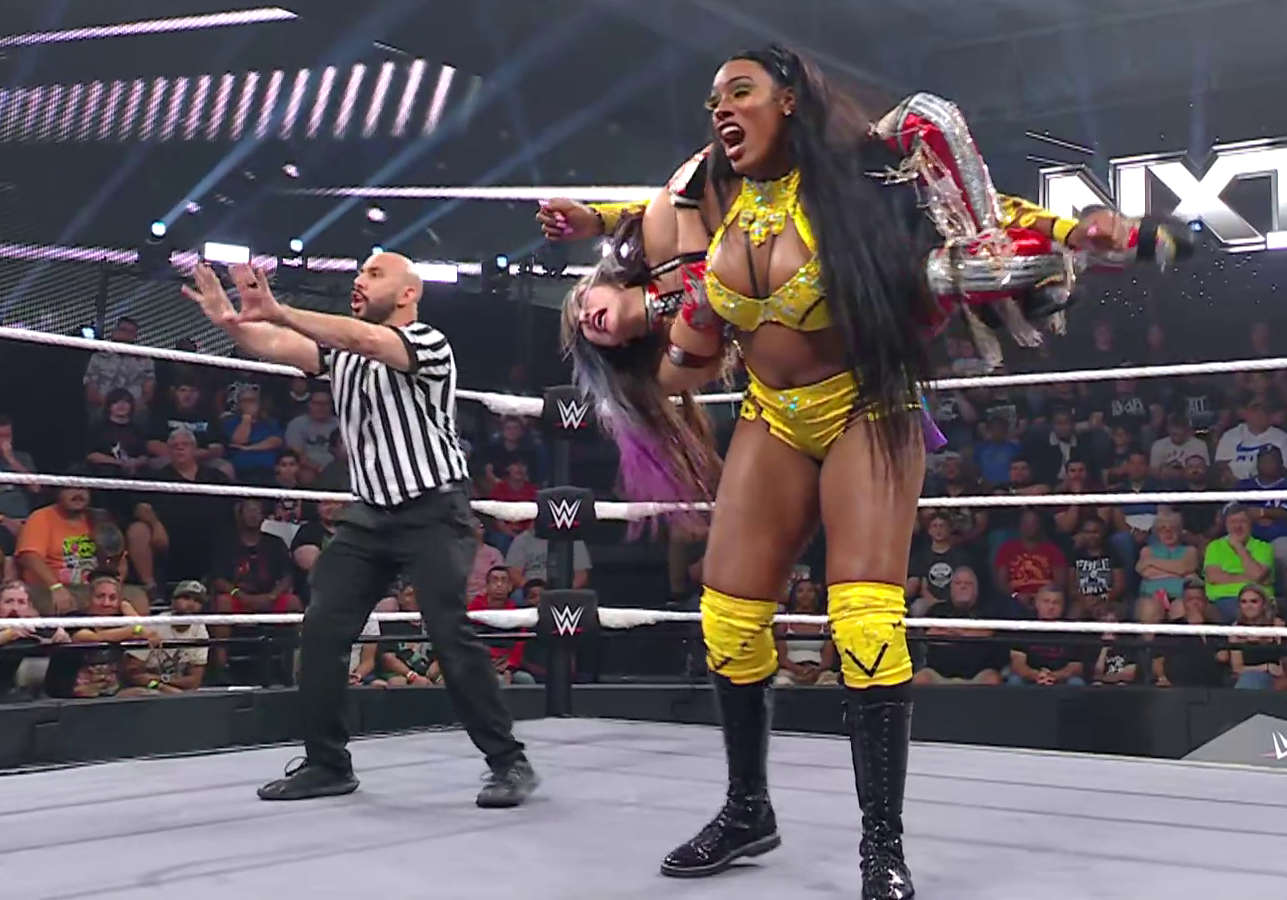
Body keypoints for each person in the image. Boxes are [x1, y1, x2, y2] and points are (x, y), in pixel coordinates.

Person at [544, 46, 1181, 899]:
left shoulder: (859, 177)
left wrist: (1077, 234)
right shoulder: (713, 197)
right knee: (728, 618)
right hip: (773, 414)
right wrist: (597, 232)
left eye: (740, 92)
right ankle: (747, 809)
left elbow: (977, 207)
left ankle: (882, 845)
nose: (721, 109)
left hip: (864, 407)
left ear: (790, 99)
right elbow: (651, 223)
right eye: (713, 100)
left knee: (865, 622)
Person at [183, 252, 534, 808]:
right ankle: (327, 763)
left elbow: (367, 340)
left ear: (407, 294)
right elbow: (273, 344)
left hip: (432, 508)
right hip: (370, 513)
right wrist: (229, 320)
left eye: (374, 274)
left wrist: (279, 308)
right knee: (322, 628)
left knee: (448, 632)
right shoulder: (340, 356)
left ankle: (509, 761)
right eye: (359, 272)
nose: (358, 279)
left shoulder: (428, 343)